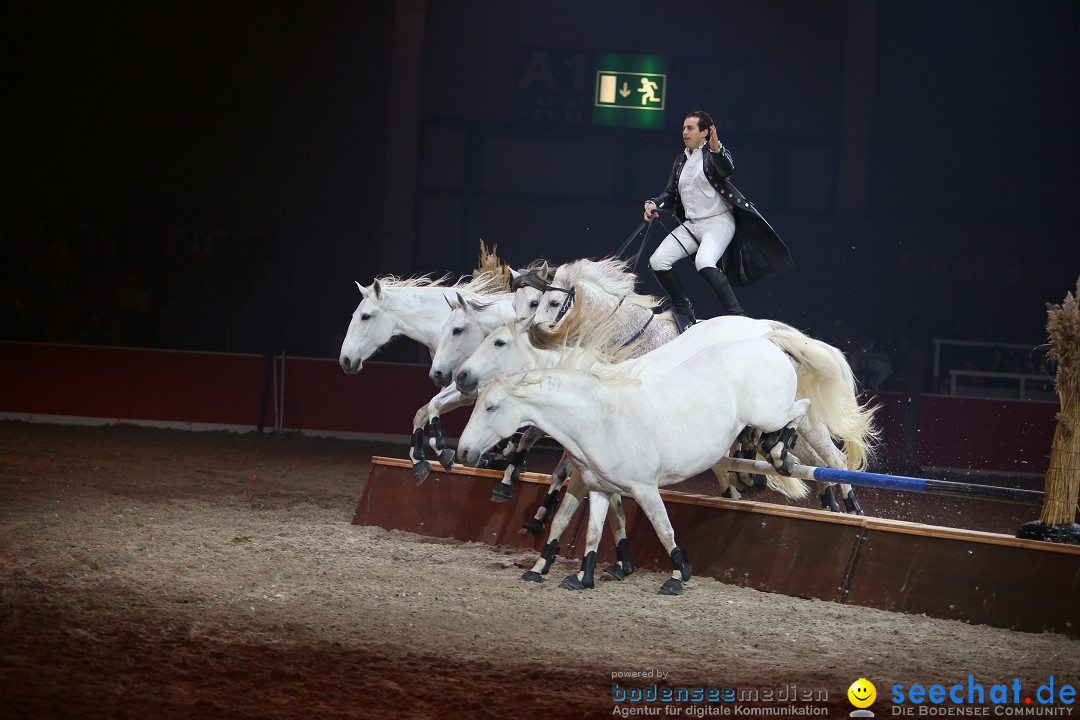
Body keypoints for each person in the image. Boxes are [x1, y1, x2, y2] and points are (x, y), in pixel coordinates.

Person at [643, 111, 793, 330]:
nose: (685, 132)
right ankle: (683, 308)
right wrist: (654, 203)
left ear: (705, 132)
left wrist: (716, 149)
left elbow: (726, 170)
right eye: (684, 128)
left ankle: (736, 315)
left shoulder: (714, 154)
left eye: (690, 128)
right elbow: (671, 194)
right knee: (657, 262)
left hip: (718, 222)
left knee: (704, 262)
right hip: (692, 225)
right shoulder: (680, 160)